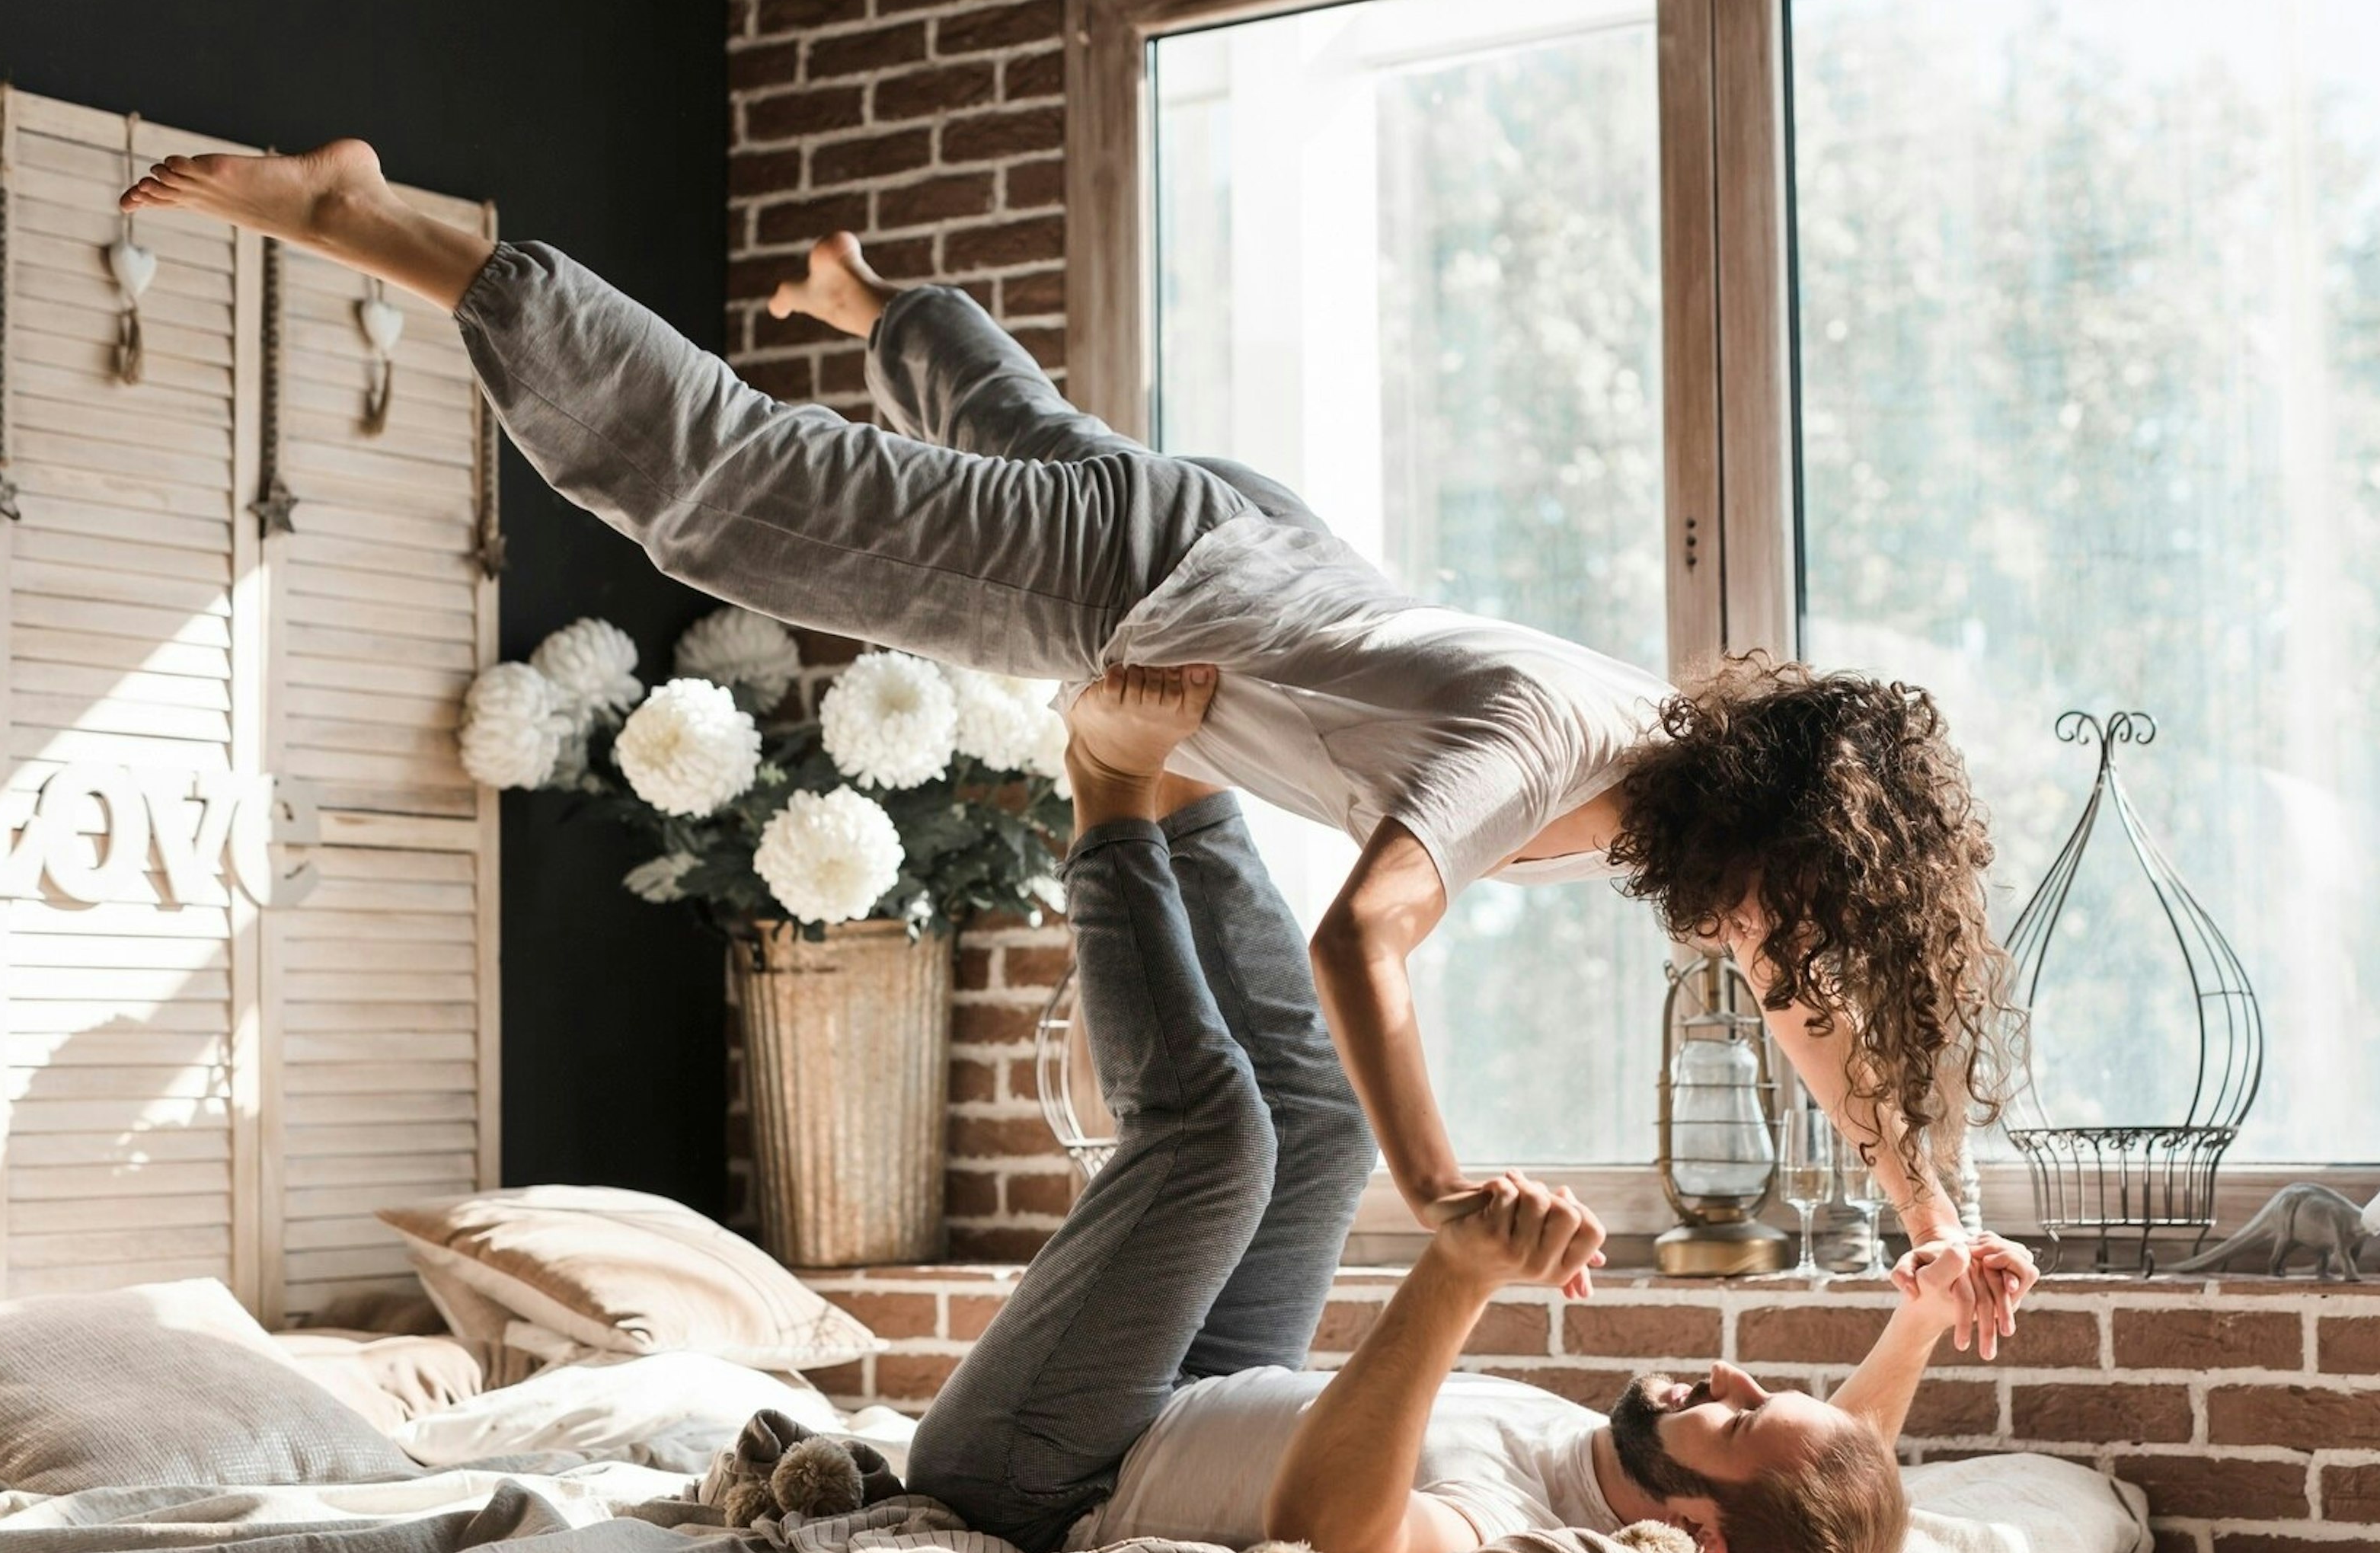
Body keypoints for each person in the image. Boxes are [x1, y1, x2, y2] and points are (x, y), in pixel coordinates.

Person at [118, 142, 2034, 1342]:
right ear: (1773, 835)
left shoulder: (1657, 779)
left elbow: (1815, 1014)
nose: (1772, 970)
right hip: (1139, 587)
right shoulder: (1541, 748)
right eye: (1790, 928)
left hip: (1225, 541)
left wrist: (1930, 1214)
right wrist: (1441, 1188)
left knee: (1019, 428)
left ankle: (876, 300)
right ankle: (379, 217)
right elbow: (1361, 945)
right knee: (727, 495)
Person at [906, 660, 1957, 1553]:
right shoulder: (1686, 1481)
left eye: (1734, 1420)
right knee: (1325, 1123)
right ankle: (1191, 788)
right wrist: (1919, 1313)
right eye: (1762, 1392)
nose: (1730, 1376)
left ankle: (1110, 783)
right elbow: (1830, 1475)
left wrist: (1457, 1273)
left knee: (1215, 1139)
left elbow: (1325, 1538)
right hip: (1199, 1390)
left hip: (1045, 1471)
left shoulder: (1520, 1536)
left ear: (1695, 1537)